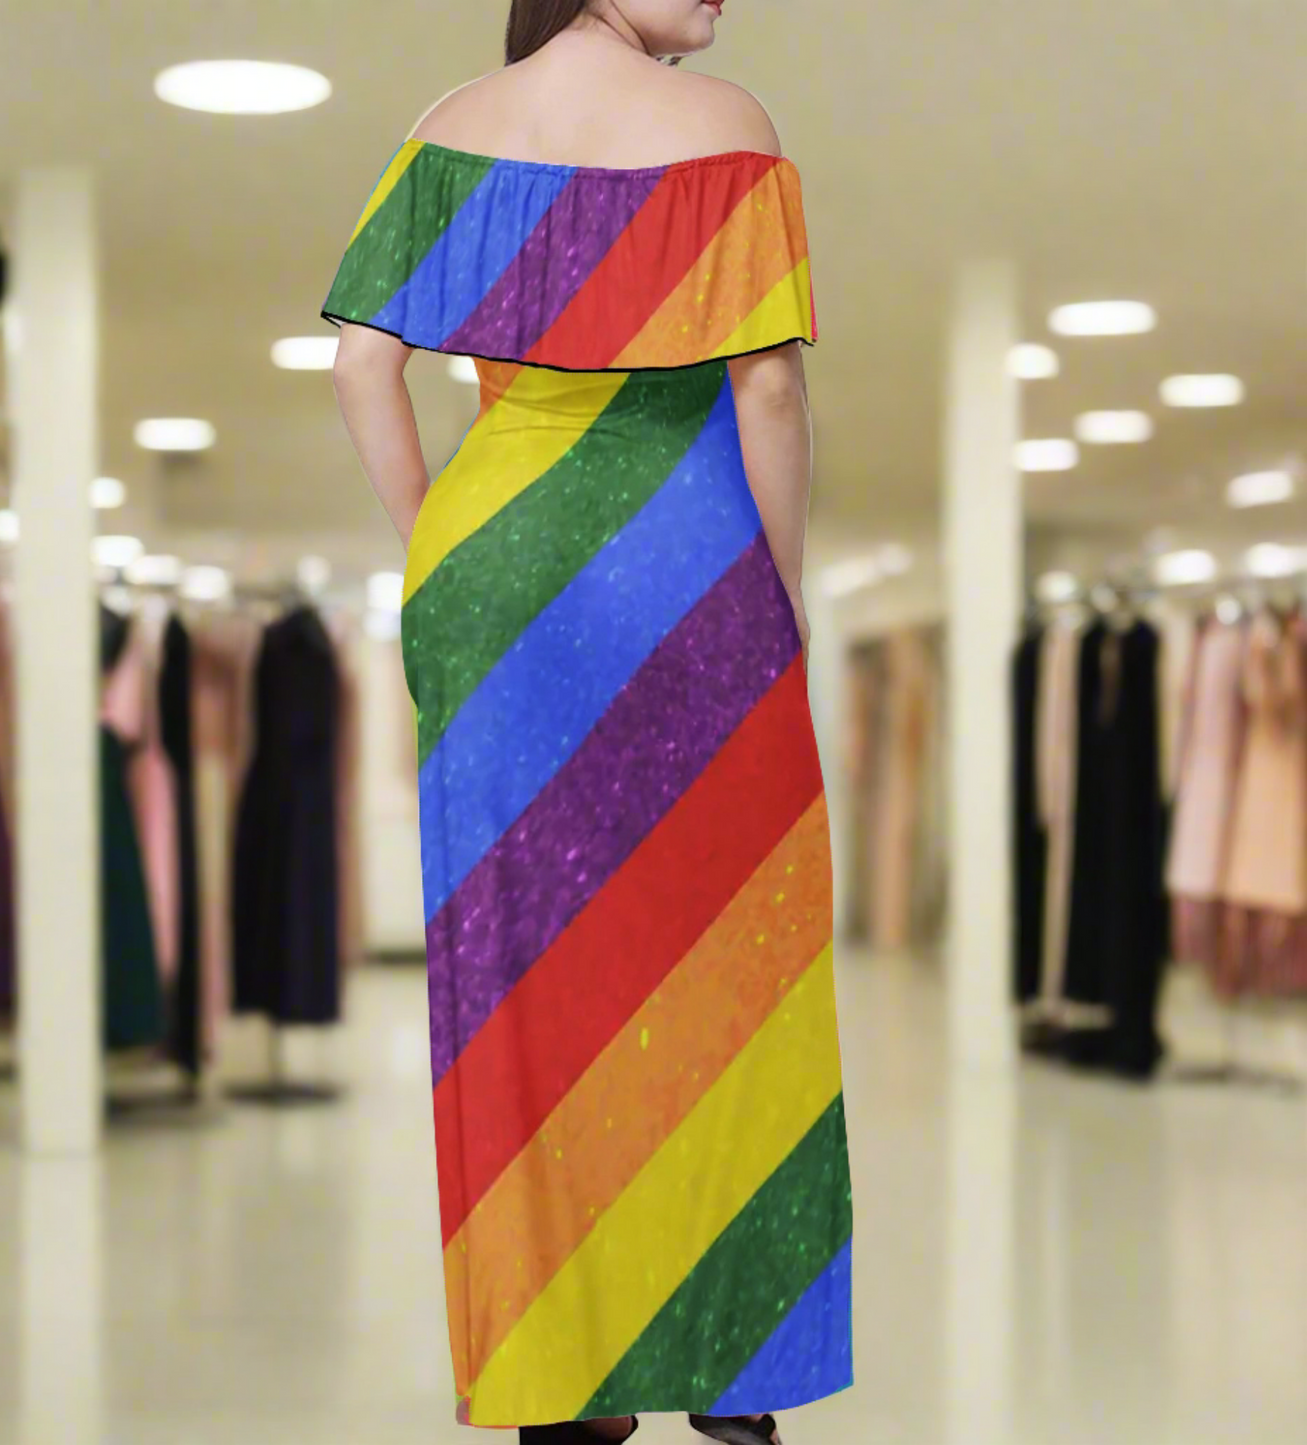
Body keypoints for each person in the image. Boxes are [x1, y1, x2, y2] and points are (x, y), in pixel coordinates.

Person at [325, 3, 852, 1441]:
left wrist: (439, 549)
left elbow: (362, 365)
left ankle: (563, 1383)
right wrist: (782, 589)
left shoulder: (451, 124)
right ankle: (730, 1375)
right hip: (682, 557)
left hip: (493, 559)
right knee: (728, 963)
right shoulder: (726, 127)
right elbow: (769, 383)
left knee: (517, 981)